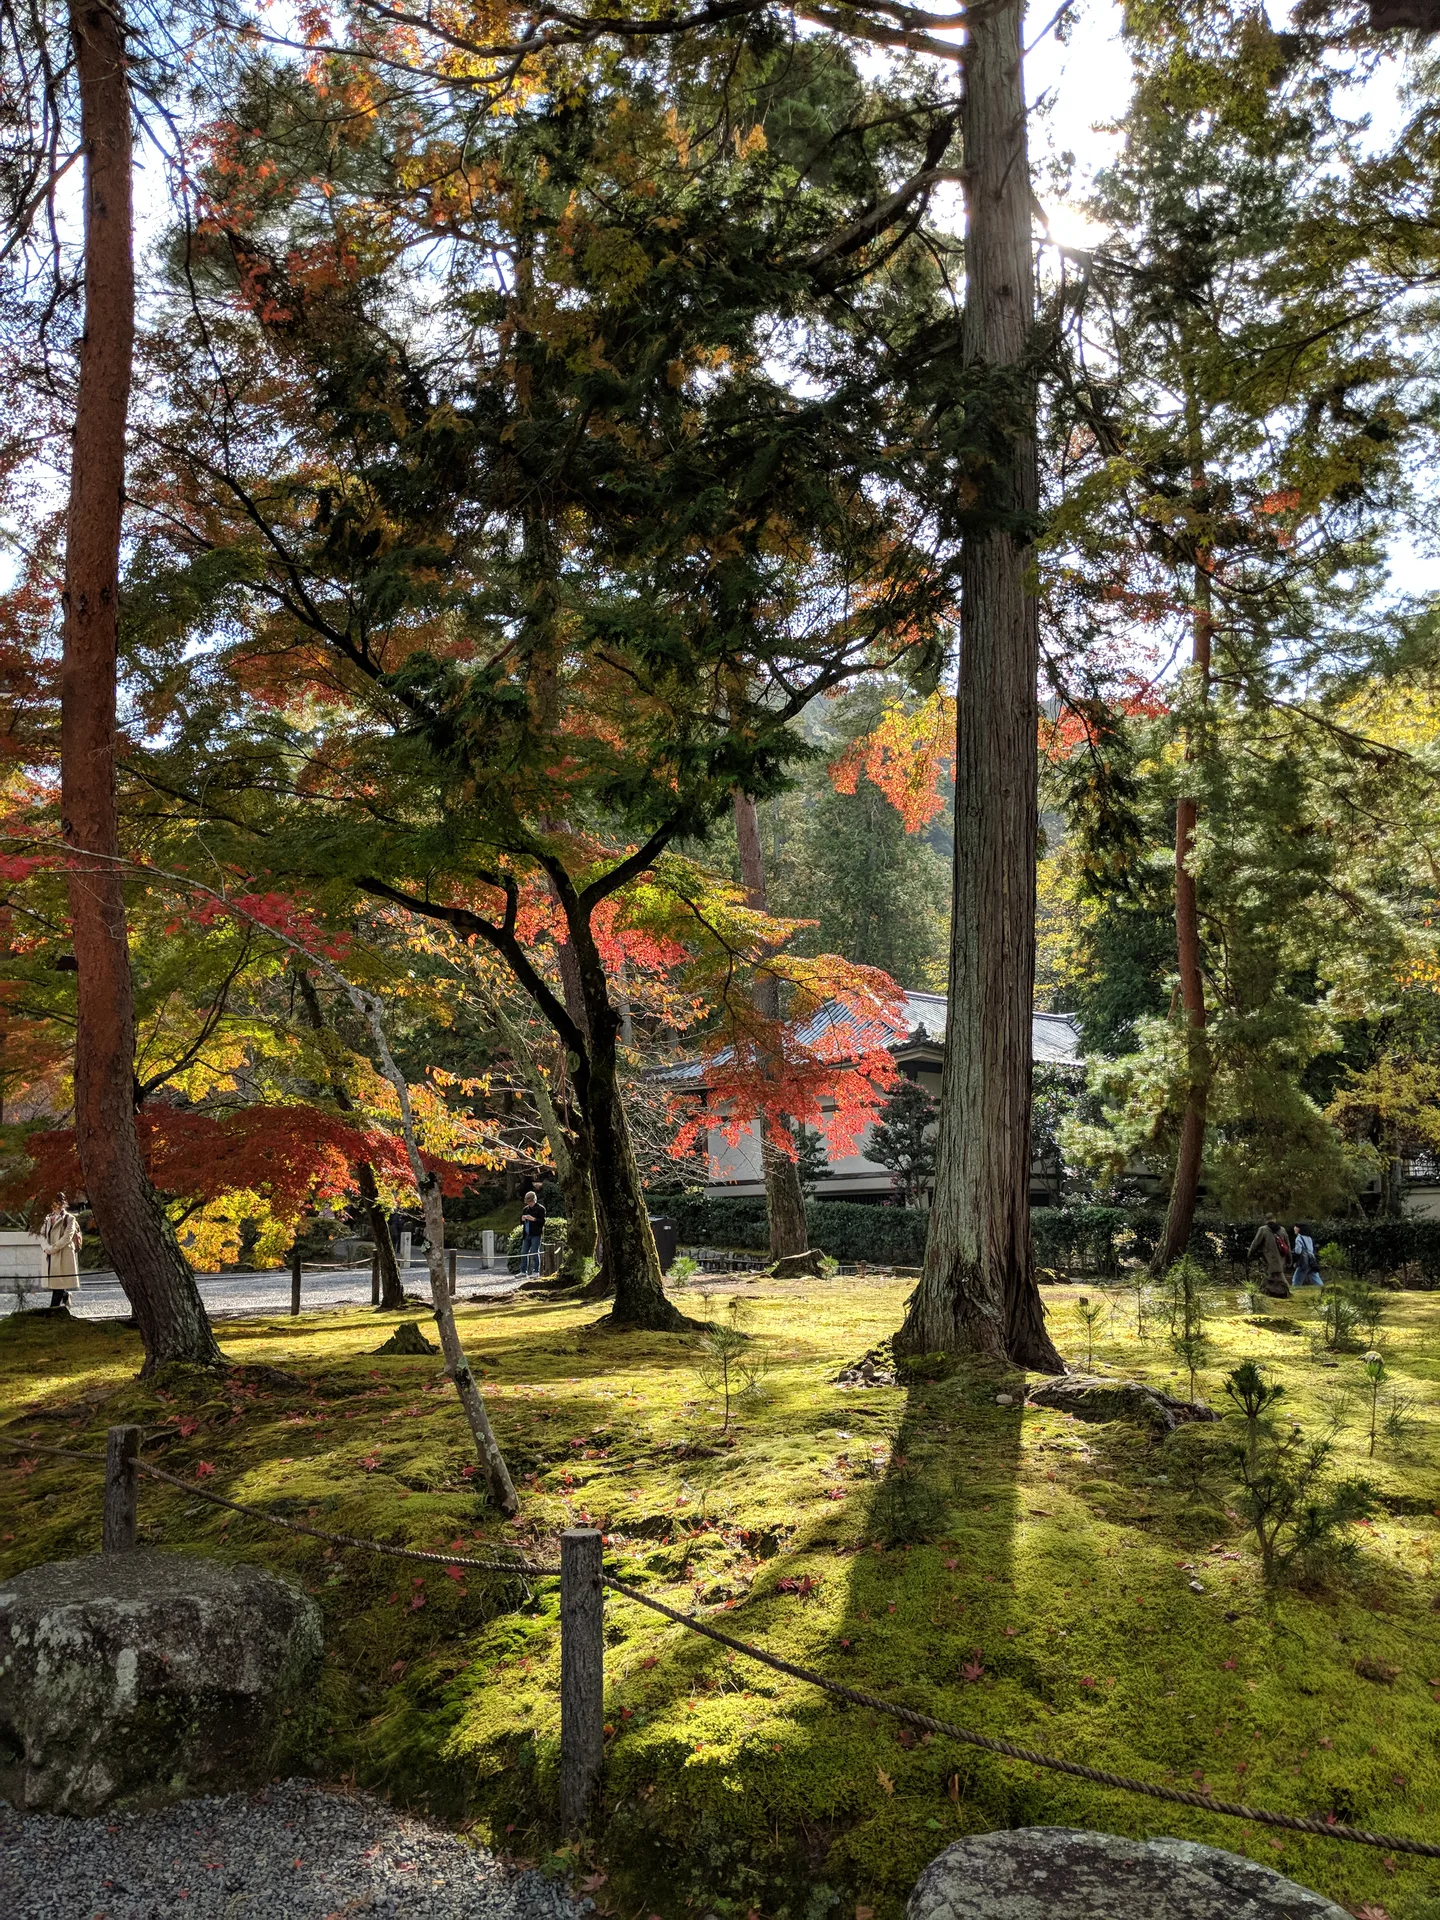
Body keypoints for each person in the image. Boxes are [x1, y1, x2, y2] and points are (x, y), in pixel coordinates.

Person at [40, 1193, 83, 1312]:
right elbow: (42, 1234)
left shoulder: (70, 1218)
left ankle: (51, 1312)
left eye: (58, 1203)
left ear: (63, 1204)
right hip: (50, 1254)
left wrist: (53, 1248)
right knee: (56, 1284)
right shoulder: (48, 1218)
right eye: (53, 1203)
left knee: (58, 1285)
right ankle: (64, 1296)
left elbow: (67, 1237)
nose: (56, 1206)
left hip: (63, 1253)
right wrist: (45, 1247)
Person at [1247, 1217, 1292, 1298]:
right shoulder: (1282, 1230)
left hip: (1269, 1259)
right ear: (1274, 1220)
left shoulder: (1263, 1230)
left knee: (1274, 1278)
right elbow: (1287, 1246)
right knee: (1276, 1277)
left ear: (1266, 1220)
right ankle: (1280, 1294)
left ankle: (1277, 1294)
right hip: (1281, 1259)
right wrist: (1289, 1259)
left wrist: (1250, 1254)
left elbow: (1255, 1244)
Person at [519, 1189, 546, 1276]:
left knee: (534, 1252)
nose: (529, 1204)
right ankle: (523, 1271)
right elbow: (522, 1222)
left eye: (530, 1202)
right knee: (524, 1252)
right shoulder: (525, 1209)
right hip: (527, 1234)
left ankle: (536, 1271)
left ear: (534, 1200)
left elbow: (542, 1221)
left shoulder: (541, 1209)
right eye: (528, 1202)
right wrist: (522, 1219)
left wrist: (533, 1219)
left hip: (536, 1234)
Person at [1290, 1222, 1323, 1287]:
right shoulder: (1309, 1238)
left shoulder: (1299, 1238)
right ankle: (1323, 1289)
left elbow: (1298, 1251)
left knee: (1296, 1280)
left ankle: (1295, 1292)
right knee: (1316, 1278)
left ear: (1299, 1229)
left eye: (1295, 1227)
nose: (1294, 1228)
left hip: (1304, 1261)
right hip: (1312, 1260)